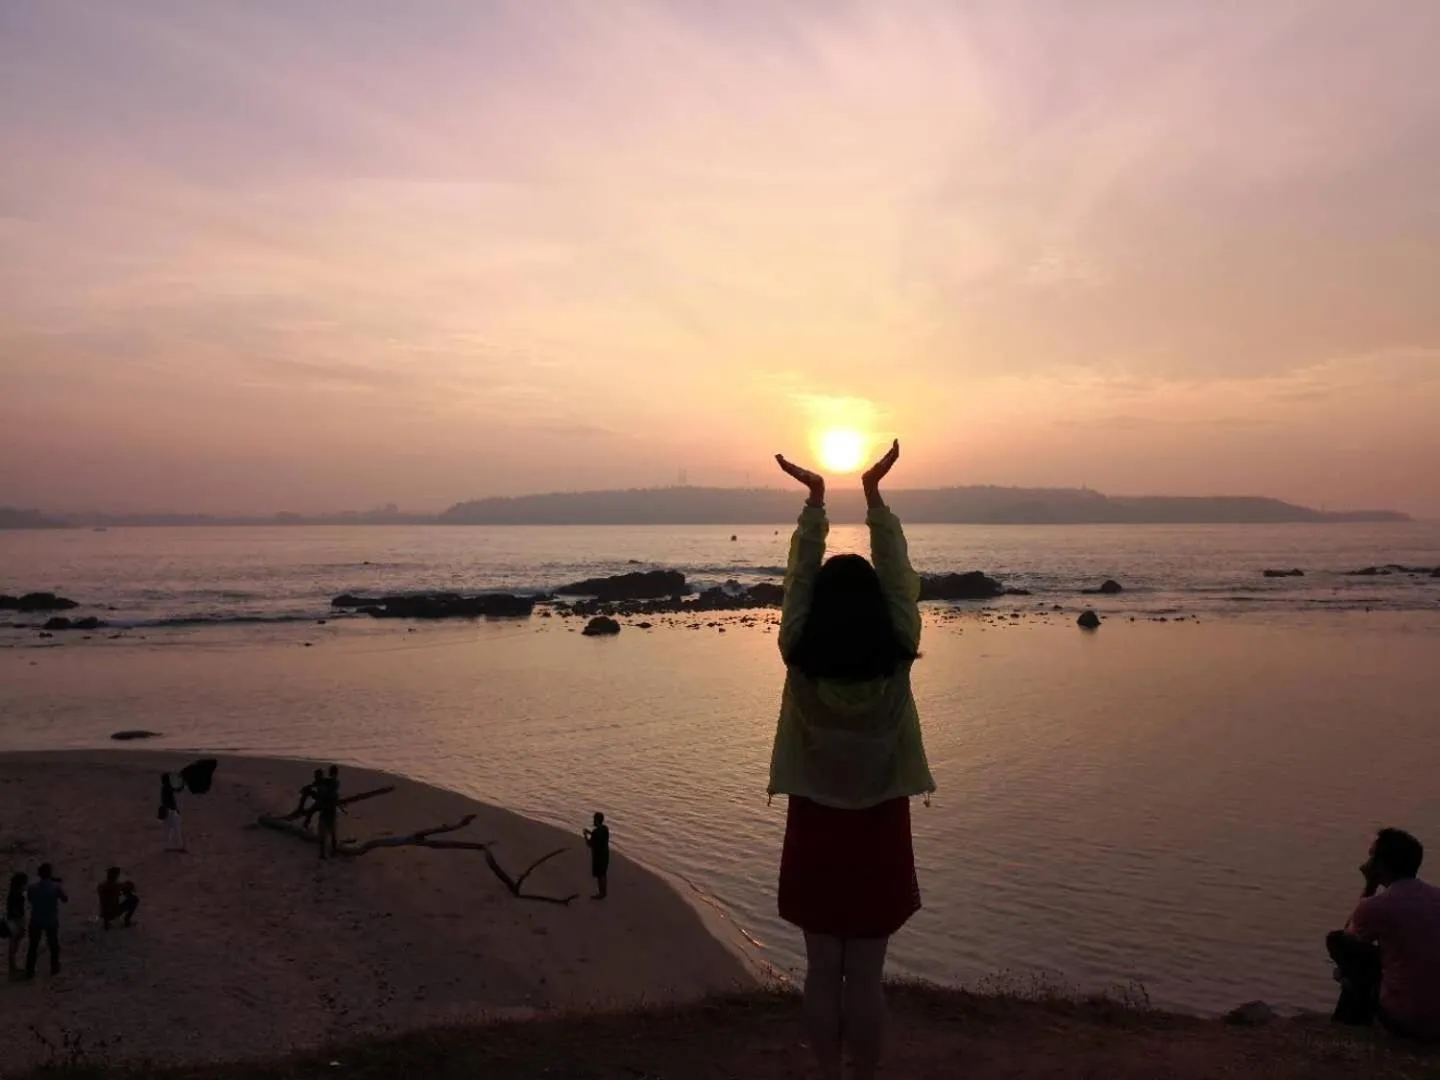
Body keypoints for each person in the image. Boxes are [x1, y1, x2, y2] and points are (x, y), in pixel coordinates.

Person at [768, 439, 935, 1080]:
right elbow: (899, 580)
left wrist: (815, 504)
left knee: (819, 971)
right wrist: (874, 500)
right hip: (880, 824)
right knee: (866, 976)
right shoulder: (897, 650)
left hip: (814, 820)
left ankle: (829, 1075)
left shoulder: (797, 650)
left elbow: (797, 585)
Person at [1326, 828, 1440, 1041]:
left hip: (1406, 1022)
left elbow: (1347, 938)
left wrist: (1369, 885)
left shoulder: (1378, 906)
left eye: (1371, 855)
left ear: (1381, 864)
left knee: (1338, 943)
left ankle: (1346, 1028)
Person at [25, 863, 68, 979]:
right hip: (50, 919)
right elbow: (65, 899)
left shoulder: (33, 888)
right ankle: (54, 967)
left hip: (36, 919)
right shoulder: (55, 887)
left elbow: (30, 898)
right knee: (53, 945)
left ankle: (30, 971)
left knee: (33, 946)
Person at [315, 765, 343, 859]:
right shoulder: (334, 783)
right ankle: (332, 852)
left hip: (326, 810)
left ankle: (323, 854)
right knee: (332, 832)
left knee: (323, 833)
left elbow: (322, 793)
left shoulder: (326, 784)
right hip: (331, 810)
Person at [583, 812, 611, 900]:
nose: (593, 821)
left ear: (597, 820)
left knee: (600, 875)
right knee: (603, 873)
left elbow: (589, 844)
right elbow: (599, 836)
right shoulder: (605, 829)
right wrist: (590, 833)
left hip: (598, 855)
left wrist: (585, 836)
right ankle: (604, 892)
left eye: (594, 819)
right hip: (605, 854)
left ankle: (601, 893)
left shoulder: (596, 832)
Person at [5, 872, 26, 976]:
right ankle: (12, 969)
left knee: (13, 945)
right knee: (13, 945)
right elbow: (15, 910)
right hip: (14, 921)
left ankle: (13, 968)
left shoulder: (14, 893)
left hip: (13, 921)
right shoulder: (15, 895)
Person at [160, 771, 186, 852]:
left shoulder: (165, 788)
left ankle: (168, 846)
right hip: (171, 811)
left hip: (167, 811)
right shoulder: (167, 787)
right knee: (176, 829)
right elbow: (178, 789)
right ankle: (180, 847)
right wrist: (182, 783)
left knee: (168, 830)